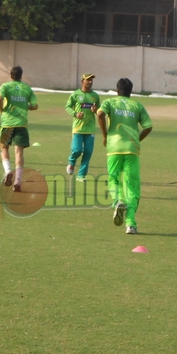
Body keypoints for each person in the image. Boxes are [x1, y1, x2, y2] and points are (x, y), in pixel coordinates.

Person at [96, 78, 152, 234]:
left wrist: (105, 135)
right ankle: (131, 223)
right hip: (132, 150)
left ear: (117, 90)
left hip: (114, 148)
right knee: (132, 187)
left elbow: (100, 114)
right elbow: (148, 126)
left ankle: (118, 201)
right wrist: (137, 140)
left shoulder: (110, 102)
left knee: (114, 180)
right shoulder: (137, 106)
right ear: (131, 91)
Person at [0, 66, 38, 192]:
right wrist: (27, 107)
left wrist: (2, 110)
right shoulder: (27, 88)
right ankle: (18, 181)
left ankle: (8, 171)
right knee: (19, 153)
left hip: (7, 123)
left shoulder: (5, 86)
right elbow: (35, 106)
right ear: (21, 75)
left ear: (11, 75)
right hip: (21, 123)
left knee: (4, 147)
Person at [65, 73, 100, 182]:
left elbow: (99, 110)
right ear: (82, 81)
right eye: (87, 80)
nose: (90, 82)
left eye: (91, 80)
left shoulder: (95, 95)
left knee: (88, 152)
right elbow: (68, 106)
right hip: (78, 128)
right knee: (77, 150)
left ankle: (81, 175)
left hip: (90, 129)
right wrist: (75, 114)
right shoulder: (75, 94)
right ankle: (71, 162)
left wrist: (96, 110)